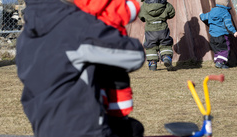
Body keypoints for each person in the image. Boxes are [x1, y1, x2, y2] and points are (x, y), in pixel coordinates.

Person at [16, 0, 145, 136]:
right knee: (133, 129)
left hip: (43, 127)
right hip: (83, 127)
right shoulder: (75, 24)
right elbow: (134, 55)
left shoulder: (25, 37)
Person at [199, 0, 237, 69]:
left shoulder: (213, 11)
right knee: (225, 49)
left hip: (213, 36)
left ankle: (218, 61)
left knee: (217, 50)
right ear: (226, 4)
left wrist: (200, 15)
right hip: (222, 35)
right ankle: (220, 62)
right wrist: (234, 32)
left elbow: (204, 17)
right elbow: (228, 24)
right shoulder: (225, 13)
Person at [138, 0, 175, 71]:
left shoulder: (145, 5)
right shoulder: (165, 4)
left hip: (150, 30)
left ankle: (152, 63)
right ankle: (166, 57)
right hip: (163, 29)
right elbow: (172, 13)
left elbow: (141, 16)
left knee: (150, 46)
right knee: (165, 44)